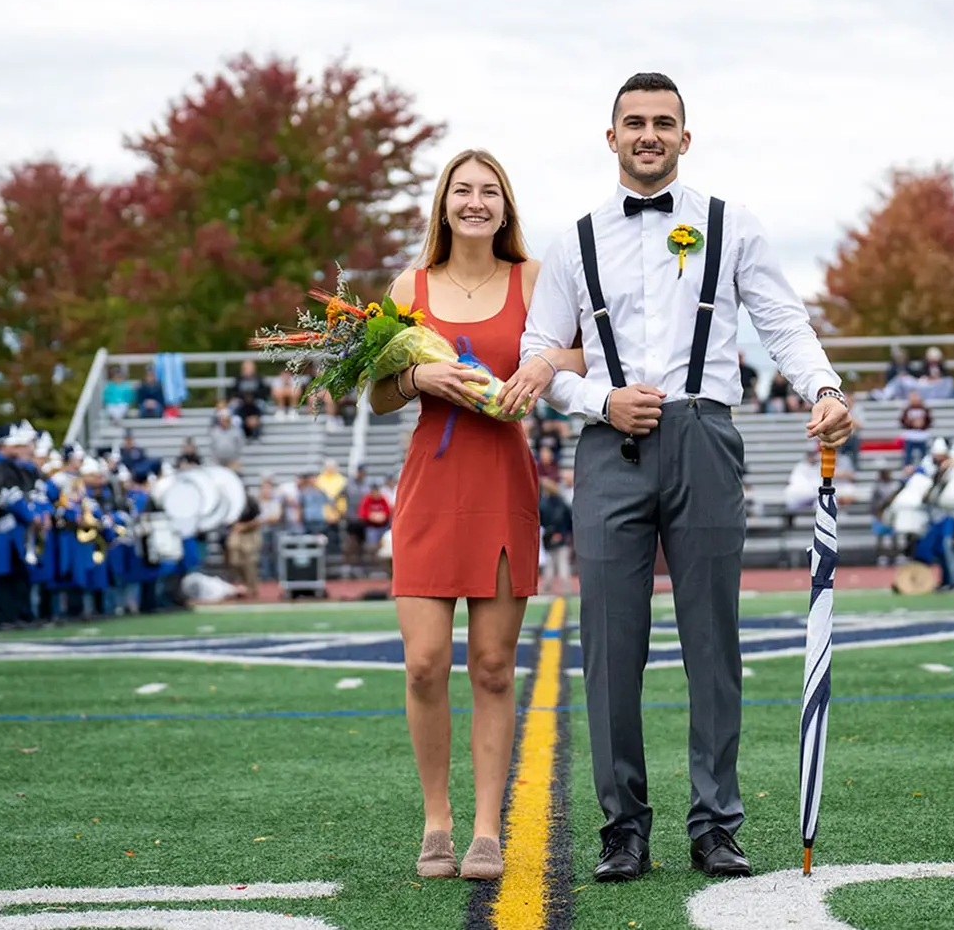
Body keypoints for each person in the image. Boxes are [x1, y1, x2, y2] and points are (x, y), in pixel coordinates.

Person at [509, 73, 856, 883]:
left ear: (685, 138)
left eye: (664, 123)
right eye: (635, 123)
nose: (649, 135)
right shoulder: (576, 240)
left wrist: (826, 388)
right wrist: (600, 398)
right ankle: (622, 826)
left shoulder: (732, 227)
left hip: (705, 436)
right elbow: (536, 356)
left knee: (712, 643)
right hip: (608, 447)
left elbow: (782, 322)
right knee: (609, 647)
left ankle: (715, 823)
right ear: (611, 138)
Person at [365, 148, 586, 882]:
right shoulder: (410, 283)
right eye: (462, 190)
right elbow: (378, 394)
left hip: (502, 479)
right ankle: (437, 822)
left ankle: (487, 830)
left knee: (492, 667)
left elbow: (587, 354)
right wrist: (416, 374)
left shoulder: (533, 278)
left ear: (505, 206)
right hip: (431, 484)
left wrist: (545, 365)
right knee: (425, 663)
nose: (475, 202)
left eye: (489, 191)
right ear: (444, 203)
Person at [223, 486, 262, 595]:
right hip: (236, 531)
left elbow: (258, 521)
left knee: (249, 561)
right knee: (234, 560)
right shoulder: (231, 502)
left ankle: (252, 586)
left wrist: (244, 526)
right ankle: (244, 583)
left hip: (250, 533)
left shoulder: (252, 502)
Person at [539, 477, 573, 595]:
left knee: (551, 565)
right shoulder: (561, 503)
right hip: (559, 537)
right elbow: (569, 520)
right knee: (562, 564)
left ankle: (547, 588)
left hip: (551, 536)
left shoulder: (545, 504)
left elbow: (542, 520)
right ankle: (566, 589)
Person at [229, 360, 269, 442]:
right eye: (247, 368)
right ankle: (237, 430)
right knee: (232, 406)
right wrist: (244, 397)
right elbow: (232, 392)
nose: (249, 370)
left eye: (251, 368)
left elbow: (264, 393)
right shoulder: (238, 379)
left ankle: (256, 427)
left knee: (261, 404)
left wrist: (252, 397)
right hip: (241, 402)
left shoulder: (259, 379)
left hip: (255, 402)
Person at [899, 390, 932, 467]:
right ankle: (907, 467)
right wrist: (911, 423)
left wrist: (922, 424)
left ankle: (925, 466)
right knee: (908, 453)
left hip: (922, 435)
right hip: (911, 435)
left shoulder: (924, 409)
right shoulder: (907, 409)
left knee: (924, 453)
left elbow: (929, 421)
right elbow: (902, 421)